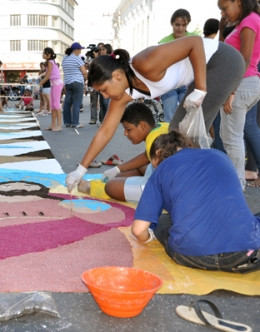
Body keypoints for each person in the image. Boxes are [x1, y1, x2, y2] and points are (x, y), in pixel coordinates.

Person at [65, 35, 245, 193]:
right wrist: (81, 169)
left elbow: (195, 42)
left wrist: (200, 88)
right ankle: (197, 187)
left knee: (180, 135)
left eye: (104, 90)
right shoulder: (120, 96)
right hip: (207, 69)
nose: (104, 96)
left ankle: (204, 189)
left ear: (117, 76)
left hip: (222, 61)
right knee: (182, 136)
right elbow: (105, 132)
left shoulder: (144, 63)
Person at [132, 131, 260, 273]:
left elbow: (138, 230)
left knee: (162, 221)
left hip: (192, 254)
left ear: (158, 153)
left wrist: (149, 238)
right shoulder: (219, 155)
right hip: (243, 251)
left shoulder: (163, 168)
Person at [79, 102, 168, 202]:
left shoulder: (154, 140)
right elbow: (146, 157)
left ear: (143, 125)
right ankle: (114, 181)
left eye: (128, 129)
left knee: (111, 187)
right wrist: (118, 169)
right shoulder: (161, 126)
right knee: (140, 166)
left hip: (163, 189)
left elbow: (151, 162)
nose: (125, 133)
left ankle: (92, 188)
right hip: (167, 178)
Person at [218, 0, 260, 189]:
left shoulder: (249, 21)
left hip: (242, 85)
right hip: (244, 84)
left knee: (232, 137)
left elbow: (244, 58)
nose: (224, 13)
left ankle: (236, 187)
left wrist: (232, 91)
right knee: (228, 135)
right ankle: (234, 183)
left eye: (225, 8)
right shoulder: (247, 21)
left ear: (237, 2)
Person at [158, 9, 197, 122]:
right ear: (172, 24)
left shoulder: (194, 39)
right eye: (177, 25)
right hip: (169, 84)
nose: (180, 28)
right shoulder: (164, 42)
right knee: (170, 117)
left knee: (186, 118)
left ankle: (183, 140)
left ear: (187, 24)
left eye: (184, 25)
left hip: (187, 84)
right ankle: (169, 140)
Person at [62, 42, 87, 129]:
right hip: (77, 82)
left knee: (67, 103)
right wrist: (86, 78)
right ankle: (75, 123)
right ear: (76, 50)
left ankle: (67, 122)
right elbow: (84, 72)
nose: (80, 52)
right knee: (77, 103)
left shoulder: (64, 59)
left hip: (68, 82)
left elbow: (65, 71)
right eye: (80, 50)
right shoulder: (77, 59)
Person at [39, 47, 63, 131]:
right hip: (53, 84)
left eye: (43, 53)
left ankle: (59, 125)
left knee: (56, 105)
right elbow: (48, 74)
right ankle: (53, 125)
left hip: (56, 84)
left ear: (48, 54)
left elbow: (48, 75)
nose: (42, 54)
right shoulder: (49, 62)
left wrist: (40, 83)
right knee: (52, 105)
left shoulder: (50, 62)